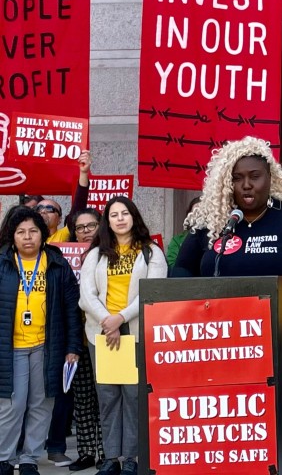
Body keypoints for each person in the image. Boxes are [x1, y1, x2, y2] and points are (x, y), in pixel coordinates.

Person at [172, 137, 282, 307]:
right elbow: (182, 269)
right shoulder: (212, 220)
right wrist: (194, 303)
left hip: (279, 325)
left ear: (270, 177)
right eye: (237, 178)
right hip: (218, 325)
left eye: (255, 176)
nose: (246, 185)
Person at [80, 197, 168, 475]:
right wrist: (108, 320)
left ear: (134, 217)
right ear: (107, 220)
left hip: (136, 331)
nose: (119, 219)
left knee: (133, 396)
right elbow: (86, 295)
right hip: (103, 333)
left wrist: (120, 318)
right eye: (114, 214)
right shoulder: (96, 253)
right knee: (107, 397)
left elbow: (153, 291)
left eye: (125, 213)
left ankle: (131, 458)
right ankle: (111, 459)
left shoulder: (150, 251)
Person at [0, 207, 82, 475]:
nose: (27, 237)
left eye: (33, 231)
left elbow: (71, 308)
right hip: (10, 346)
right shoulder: (2, 263)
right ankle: (4, 457)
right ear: (12, 236)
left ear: (43, 234)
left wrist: (72, 347)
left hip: (47, 346)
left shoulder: (56, 263)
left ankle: (29, 459)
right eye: (21, 232)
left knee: (42, 403)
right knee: (12, 404)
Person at [65, 208, 105, 472]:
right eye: (80, 227)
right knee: (82, 399)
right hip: (75, 338)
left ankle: (106, 453)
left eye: (91, 225)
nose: (86, 231)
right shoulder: (63, 258)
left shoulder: (108, 255)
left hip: (105, 334)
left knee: (105, 396)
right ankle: (86, 452)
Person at [35, 150, 92, 243]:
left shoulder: (64, 235)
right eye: (39, 208)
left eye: (50, 209)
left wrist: (84, 173)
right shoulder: (26, 240)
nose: (43, 211)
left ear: (59, 220)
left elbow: (78, 209)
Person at [165, 197, 200, 268]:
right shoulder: (178, 240)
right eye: (195, 212)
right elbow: (171, 265)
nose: (199, 216)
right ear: (189, 215)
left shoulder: (216, 238)